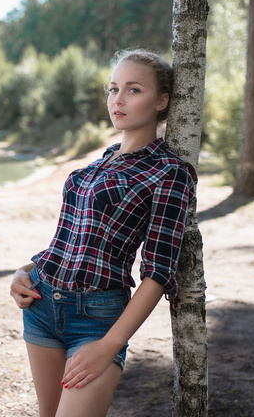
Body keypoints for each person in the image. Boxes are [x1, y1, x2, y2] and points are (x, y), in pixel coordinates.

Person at [10, 49, 194, 417]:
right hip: (42, 305)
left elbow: (158, 272)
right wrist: (25, 271)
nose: (119, 99)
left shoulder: (170, 171)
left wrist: (110, 345)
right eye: (113, 89)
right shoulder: (99, 162)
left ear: (162, 101)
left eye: (133, 90)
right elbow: (68, 241)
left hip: (96, 318)